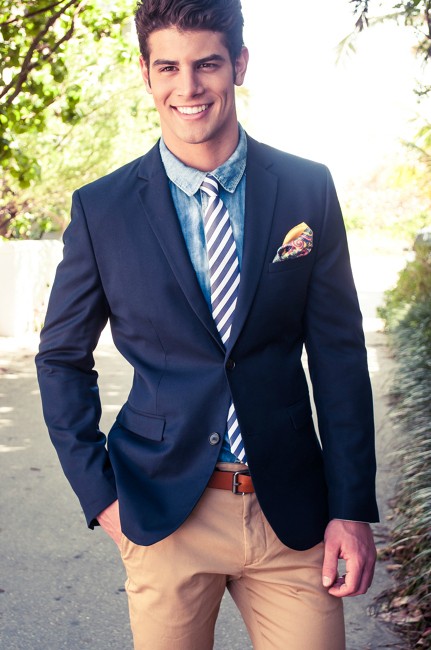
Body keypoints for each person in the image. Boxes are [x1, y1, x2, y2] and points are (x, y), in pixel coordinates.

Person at [36, 1, 379, 648]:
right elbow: (60, 358)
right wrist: (101, 497)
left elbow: (339, 355)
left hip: (292, 516)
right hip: (164, 515)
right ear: (146, 73)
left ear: (239, 65)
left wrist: (351, 507)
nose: (188, 87)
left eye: (207, 64)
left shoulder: (306, 188)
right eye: (168, 67)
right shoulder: (102, 209)